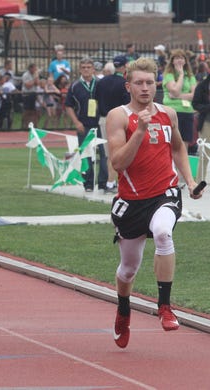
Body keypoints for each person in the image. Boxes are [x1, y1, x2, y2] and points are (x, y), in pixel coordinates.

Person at [106, 57, 203, 349]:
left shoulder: (168, 114)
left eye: (150, 82)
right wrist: (138, 132)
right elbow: (117, 162)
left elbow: (178, 149)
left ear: (156, 84)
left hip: (165, 192)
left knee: (163, 232)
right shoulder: (118, 116)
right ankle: (124, 308)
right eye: (139, 83)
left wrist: (191, 182)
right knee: (128, 270)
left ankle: (164, 307)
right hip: (132, 200)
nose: (145, 88)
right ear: (128, 86)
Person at [65, 57, 108, 192]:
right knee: (86, 154)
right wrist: (76, 122)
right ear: (80, 69)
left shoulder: (101, 84)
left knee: (104, 153)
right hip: (83, 125)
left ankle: (103, 183)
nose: (86, 70)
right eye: (83, 67)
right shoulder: (75, 86)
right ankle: (88, 183)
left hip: (100, 124)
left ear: (93, 69)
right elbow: (68, 106)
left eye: (88, 67)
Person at [95, 55, 131, 194]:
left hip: (104, 118)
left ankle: (108, 180)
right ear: (124, 66)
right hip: (119, 119)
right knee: (116, 153)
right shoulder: (124, 83)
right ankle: (111, 182)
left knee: (107, 153)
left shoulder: (102, 82)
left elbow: (95, 99)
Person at [162, 49, 197, 151]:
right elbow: (175, 90)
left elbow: (194, 95)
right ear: (172, 61)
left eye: (182, 58)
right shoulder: (168, 75)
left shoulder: (190, 76)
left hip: (187, 111)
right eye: (177, 58)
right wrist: (181, 75)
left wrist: (176, 96)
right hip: (172, 111)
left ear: (185, 61)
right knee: (172, 141)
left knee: (185, 141)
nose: (179, 60)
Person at [191, 71, 210, 181]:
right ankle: (198, 181)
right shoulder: (202, 86)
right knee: (204, 154)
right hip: (206, 123)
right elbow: (195, 104)